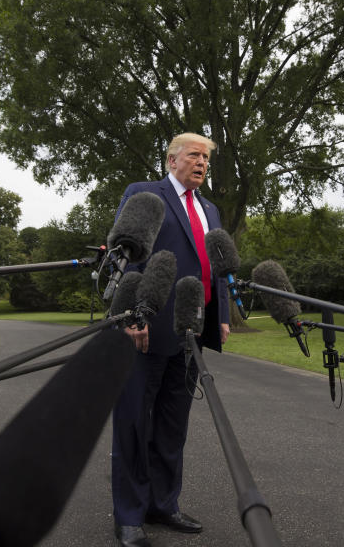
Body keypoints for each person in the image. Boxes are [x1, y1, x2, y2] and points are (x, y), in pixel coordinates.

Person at [110, 132, 231, 547]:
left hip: (190, 331)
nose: (201, 163)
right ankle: (129, 516)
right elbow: (126, 254)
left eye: (206, 159)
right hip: (146, 328)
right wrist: (130, 312)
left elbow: (216, 267)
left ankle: (163, 504)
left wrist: (222, 315)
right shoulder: (145, 194)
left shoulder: (210, 209)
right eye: (195, 155)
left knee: (172, 426)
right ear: (172, 159)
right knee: (132, 424)